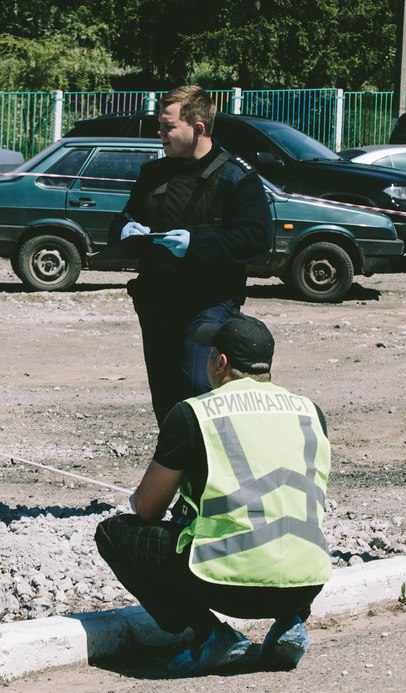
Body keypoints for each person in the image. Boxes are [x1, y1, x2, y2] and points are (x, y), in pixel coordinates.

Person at [95, 313, 331, 677]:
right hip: (307, 583)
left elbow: (146, 510)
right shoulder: (310, 411)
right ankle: (291, 625)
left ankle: (209, 634)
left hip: (225, 585)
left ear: (220, 363)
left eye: (209, 353)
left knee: (114, 534)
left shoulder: (194, 414)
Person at [114, 85, 271, 425]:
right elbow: (123, 219)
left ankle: (209, 471)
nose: (160, 134)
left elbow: (257, 238)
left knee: (200, 392)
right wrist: (125, 229)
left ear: (197, 128)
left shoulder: (235, 177)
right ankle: (176, 473)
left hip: (208, 304)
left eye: (168, 126)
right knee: (167, 401)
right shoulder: (154, 174)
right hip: (158, 303)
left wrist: (196, 245)